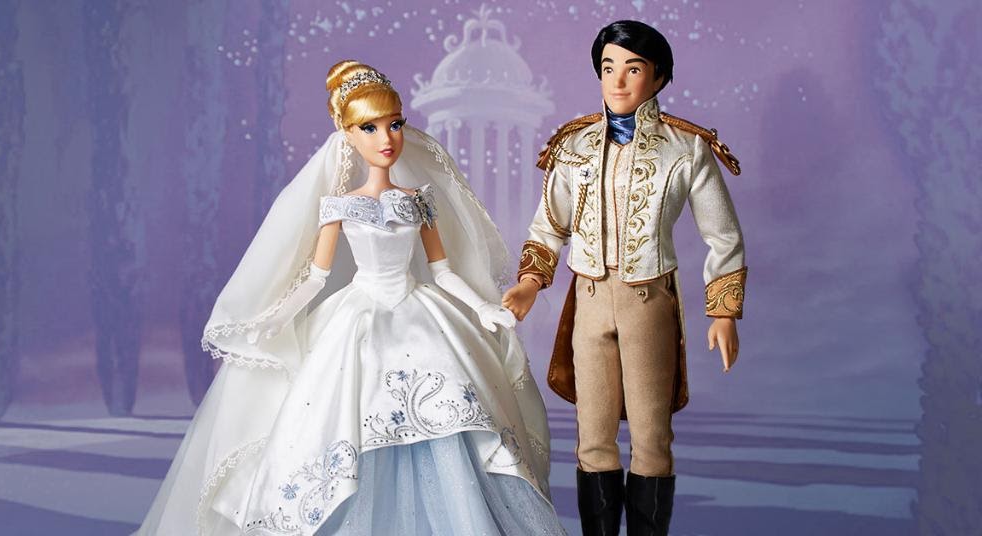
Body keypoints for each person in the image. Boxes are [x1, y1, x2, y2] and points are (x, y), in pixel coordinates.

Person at [134, 61, 566, 536]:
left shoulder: (419, 199)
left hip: (421, 315)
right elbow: (316, 278)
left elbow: (442, 271)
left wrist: (482, 307)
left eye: (394, 124)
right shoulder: (339, 206)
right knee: (345, 420)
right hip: (359, 320)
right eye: (370, 128)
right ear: (348, 135)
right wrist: (276, 318)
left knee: (450, 416)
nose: (387, 138)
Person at [502, 20, 747, 536]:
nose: (617, 81)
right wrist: (530, 282)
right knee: (592, 439)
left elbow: (722, 236)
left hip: (648, 303)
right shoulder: (575, 145)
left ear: (658, 77)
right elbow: (549, 226)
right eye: (608, 67)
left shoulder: (685, 149)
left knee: (652, 440)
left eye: (633, 69)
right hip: (589, 301)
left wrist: (723, 312)